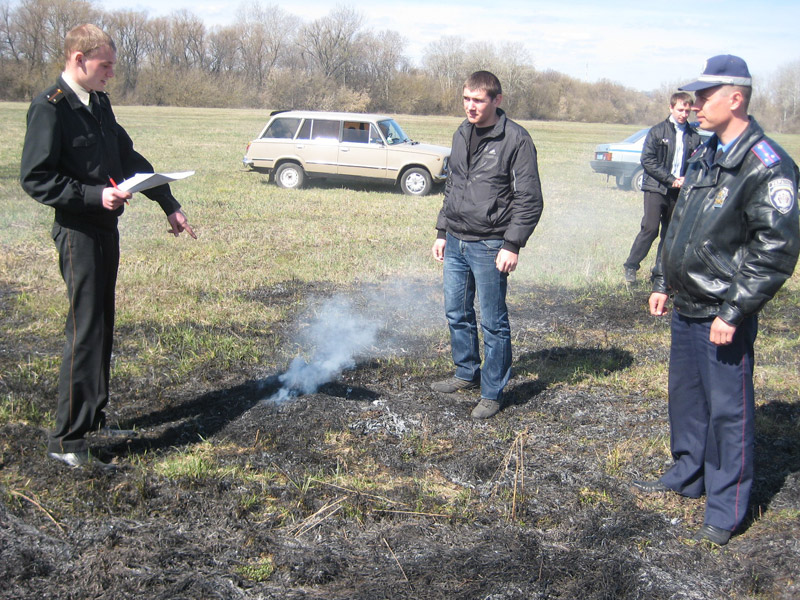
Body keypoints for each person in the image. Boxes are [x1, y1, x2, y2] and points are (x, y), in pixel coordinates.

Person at [633, 55, 799, 546]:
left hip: (722, 314)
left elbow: (775, 249)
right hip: (686, 303)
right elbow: (677, 222)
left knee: (729, 412)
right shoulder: (706, 152)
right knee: (686, 399)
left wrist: (734, 310)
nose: (695, 104)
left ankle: (725, 508)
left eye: (705, 97)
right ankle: (688, 473)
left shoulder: (768, 164)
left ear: (736, 98)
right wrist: (661, 279)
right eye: (693, 97)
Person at [20, 24, 197, 469]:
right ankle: (67, 441)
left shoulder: (98, 103)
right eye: (105, 66)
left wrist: (168, 203)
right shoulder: (49, 108)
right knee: (85, 333)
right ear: (78, 60)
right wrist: (94, 195)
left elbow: (128, 157)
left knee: (102, 324)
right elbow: (36, 178)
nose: (110, 75)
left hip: (105, 231)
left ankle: (94, 420)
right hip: (78, 233)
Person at [430, 71, 544, 419]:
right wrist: (441, 230)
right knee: (456, 312)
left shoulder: (516, 139)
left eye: (478, 100)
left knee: (493, 321)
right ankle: (466, 372)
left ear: (497, 100)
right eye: (466, 99)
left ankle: (492, 392)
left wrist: (512, 244)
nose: (470, 107)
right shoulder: (461, 132)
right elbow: (453, 187)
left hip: (491, 244)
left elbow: (530, 198)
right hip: (457, 240)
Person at [623, 92, 701, 283]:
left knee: (670, 233)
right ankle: (631, 267)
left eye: (687, 110)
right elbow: (647, 160)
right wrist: (670, 178)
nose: (683, 114)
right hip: (656, 187)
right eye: (680, 110)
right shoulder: (658, 131)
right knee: (650, 228)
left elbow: (697, 163)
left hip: (679, 191)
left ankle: (659, 273)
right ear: (671, 108)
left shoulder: (694, 136)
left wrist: (687, 179)